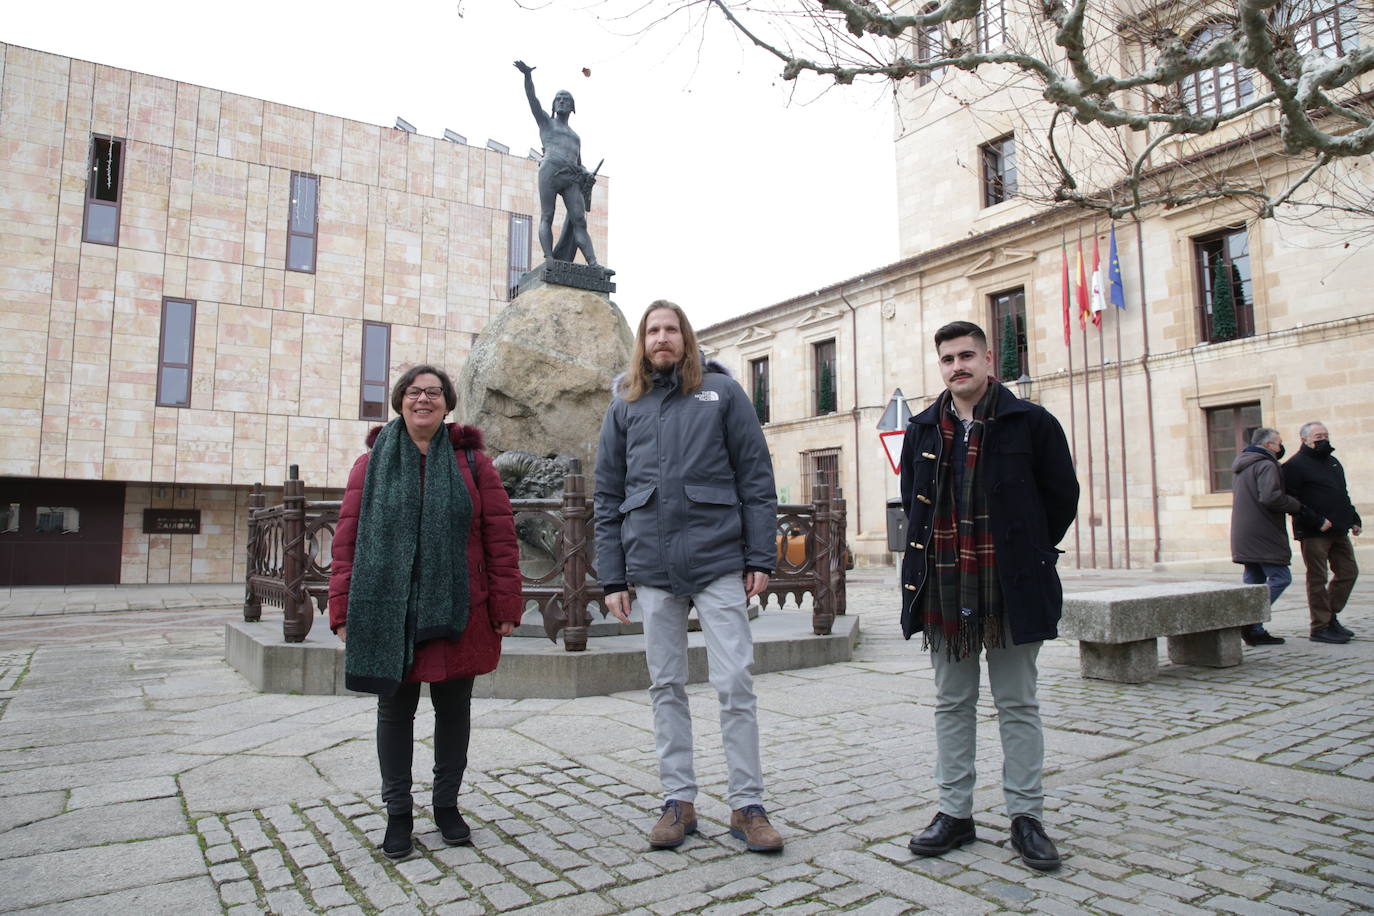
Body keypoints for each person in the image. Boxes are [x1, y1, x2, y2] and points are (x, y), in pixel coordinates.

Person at [593, 300, 783, 853]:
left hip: (718, 560)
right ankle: (678, 801)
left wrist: (759, 557)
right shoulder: (624, 404)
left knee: (735, 684)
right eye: (653, 330)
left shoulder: (722, 394)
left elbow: (755, 476)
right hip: (650, 567)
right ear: (642, 341)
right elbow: (607, 495)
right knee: (665, 686)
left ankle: (748, 804)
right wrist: (613, 578)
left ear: (686, 337)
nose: (662, 338)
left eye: (671, 329)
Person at [899, 321, 1078, 872]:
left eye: (967, 355)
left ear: (988, 359)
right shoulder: (923, 427)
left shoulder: (1032, 422)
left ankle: (1026, 817)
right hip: (946, 586)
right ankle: (955, 814)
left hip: (1010, 586)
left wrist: (1024, 551)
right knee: (952, 703)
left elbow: (1062, 497)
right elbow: (913, 502)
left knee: (1017, 704)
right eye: (948, 358)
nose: (958, 366)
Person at [328, 365, 522, 859]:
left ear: (447, 403)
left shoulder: (474, 463)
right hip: (387, 609)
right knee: (394, 711)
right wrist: (342, 609)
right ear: (400, 401)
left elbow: (499, 538)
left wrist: (504, 603)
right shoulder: (369, 465)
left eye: (434, 393)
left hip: (459, 606)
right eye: (415, 392)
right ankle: (397, 813)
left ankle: (446, 806)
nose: (424, 400)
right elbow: (347, 543)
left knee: (453, 710)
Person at [1229, 427, 1322, 646]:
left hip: (1245, 531)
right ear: (1269, 445)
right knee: (1281, 578)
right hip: (1263, 531)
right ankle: (1248, 620)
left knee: (1254, 580)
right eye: (1279, 444)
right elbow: (1271, 497)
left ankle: (1255, 631)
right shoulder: (1266, 464)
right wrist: (1296, 505)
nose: (1281, 448)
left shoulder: (1242, 464)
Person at [514, 60, 603, 267]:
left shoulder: (576, 137)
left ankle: (593, 263)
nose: (562, 102)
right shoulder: (546, 123)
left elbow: (578, 163)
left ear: (572, 107)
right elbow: (532, 100)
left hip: (571, 177)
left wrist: (587, 173)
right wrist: (528, 76)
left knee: (579, 220)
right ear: (553, 105)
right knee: (548, 215)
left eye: (566, 99)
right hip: (550, 171)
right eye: (558, 99)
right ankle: (549, 259)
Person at [1283, 421, 1361, 644]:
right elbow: (1292, 501)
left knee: (1348, 572)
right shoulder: (1294, 466)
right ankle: (1319, 627)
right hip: (1314, 532)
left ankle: (1329, 616)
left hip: (1339, 529)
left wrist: (1353, 518)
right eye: (1318, 435)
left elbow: (1342, 494)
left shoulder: (1333, 462)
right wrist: (1317, 520)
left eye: (1325, 434)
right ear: (1304, 439)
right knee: (1318, 578)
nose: (1323, 439)